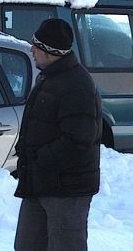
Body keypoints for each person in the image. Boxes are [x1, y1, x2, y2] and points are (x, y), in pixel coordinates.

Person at [13, 18, 102, 251]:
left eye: (36, 46)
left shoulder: (77, 86)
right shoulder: (51, 77)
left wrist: (39, 160)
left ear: (51, 52)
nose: (31, 50)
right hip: (40, 184)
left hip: (67, 192)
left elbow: (78, 141)